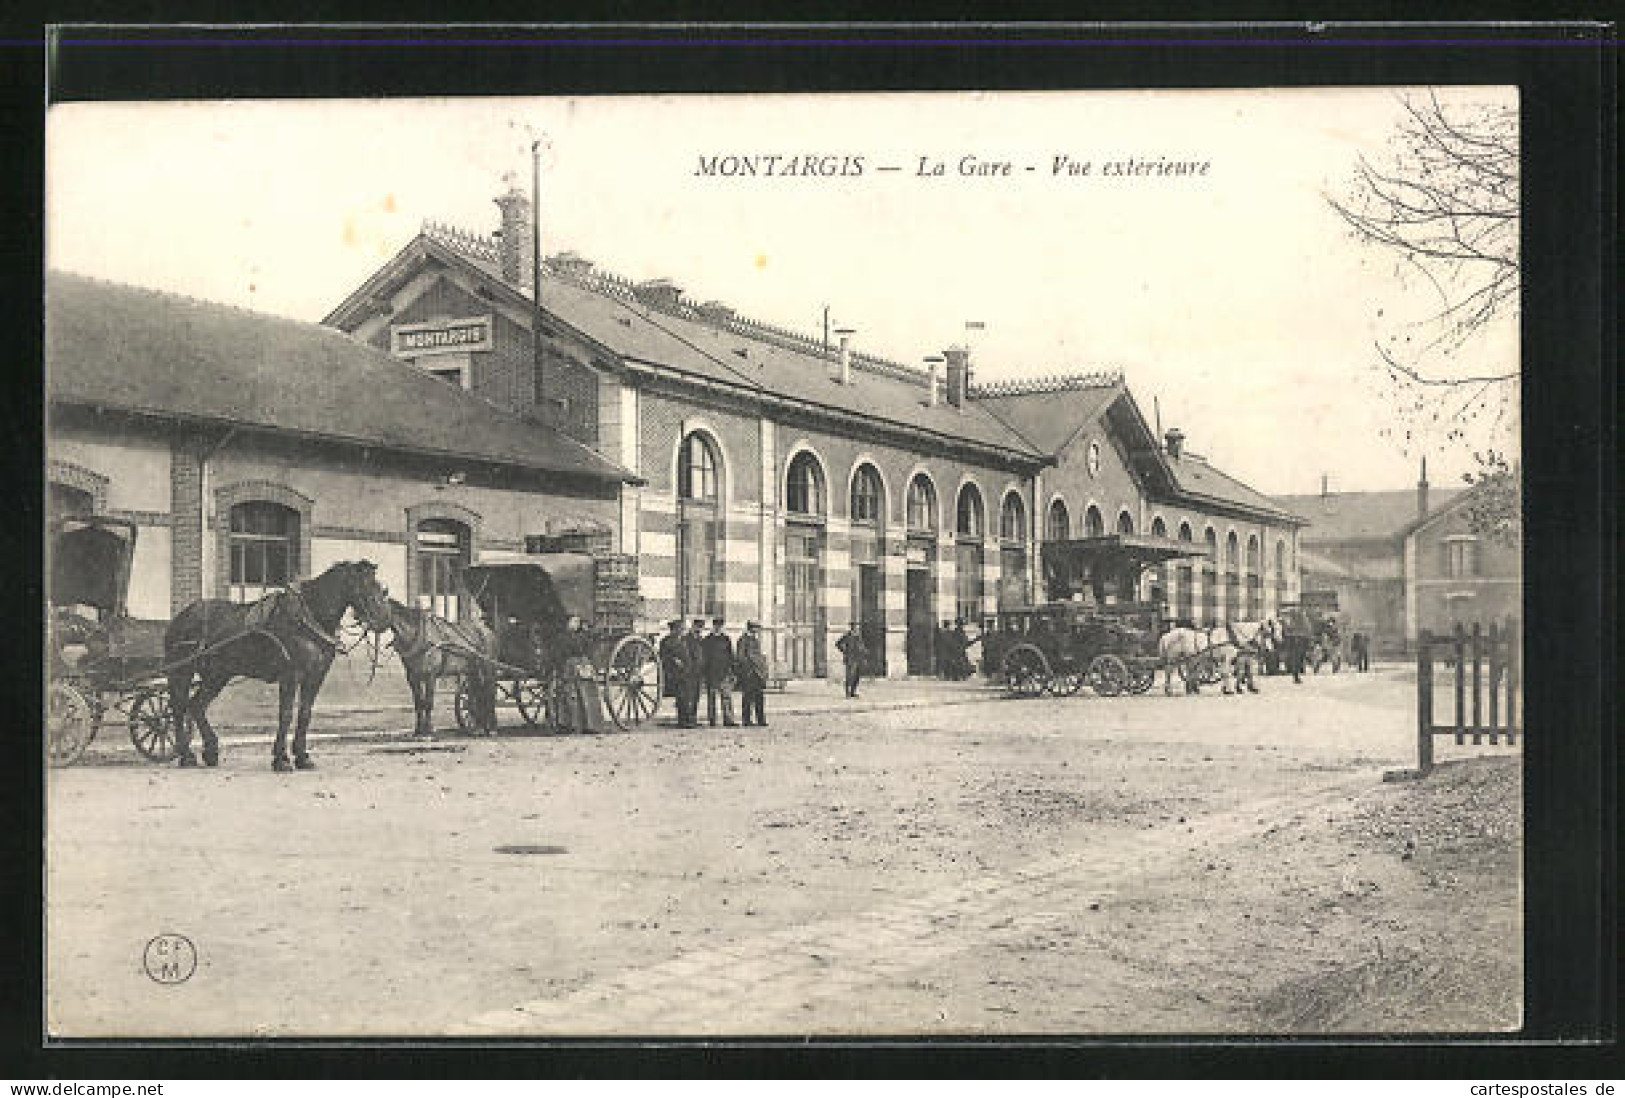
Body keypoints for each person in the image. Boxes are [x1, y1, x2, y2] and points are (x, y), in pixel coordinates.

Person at [658, 620, 696, 728]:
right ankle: (683, 721)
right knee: (681, 697)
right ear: (673, 630)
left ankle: (687, 719)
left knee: (687, 696)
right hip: (674, 673)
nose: (681, 631)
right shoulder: (666, 641)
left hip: (685, 672)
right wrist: (673, 659)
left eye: (682, 629)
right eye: (679, 629)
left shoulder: (683, 640)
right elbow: (662, 656)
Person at [701, 617, 738, 727]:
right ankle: (712, 720)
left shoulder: (726, 639)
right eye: (717, 626)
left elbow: (731, 656)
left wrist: (732, 671)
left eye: (720, 626)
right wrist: (704, 673)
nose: (718, 628)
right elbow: (704, 657)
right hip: (711, 672)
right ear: (713, 626)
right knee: (712, 698)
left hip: (724, 672)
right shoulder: (707, 640)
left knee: (726, 696)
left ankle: (728, 719)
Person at [735, 620, 770, 727]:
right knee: (748, 697)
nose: (757, 631)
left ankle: (761, 719)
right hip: (749, 673)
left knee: (759, 697)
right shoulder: (743, 640)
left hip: (757, 673)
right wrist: (747, 669)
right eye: (756, 628)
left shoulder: (755, 640)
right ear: (751, 628)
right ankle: (746, 720)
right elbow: (741, 657)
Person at [682, 620, 707, 726]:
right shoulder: (686, 639)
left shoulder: (701, 640)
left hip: (698, 672)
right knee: (689, 696)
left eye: (701, 628)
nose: (699, 630)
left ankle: (693, 719)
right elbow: (684, 655)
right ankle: (687, 719)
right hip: (689, 672)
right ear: (693, 627)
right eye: (697, 627)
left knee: (696, 696)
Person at [836, 621, 867, 698]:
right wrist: (845, 651)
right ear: (851, 627)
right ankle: (847, 692)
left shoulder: (858, 636)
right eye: (854, 627)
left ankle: (853, 692)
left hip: (858, 658)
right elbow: (838, 643)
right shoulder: (847, 636)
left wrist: (864, 652)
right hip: (850, 658)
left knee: (857, 676)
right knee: (849, 676)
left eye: (856, 627)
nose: (856, 628)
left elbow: (861, 646)